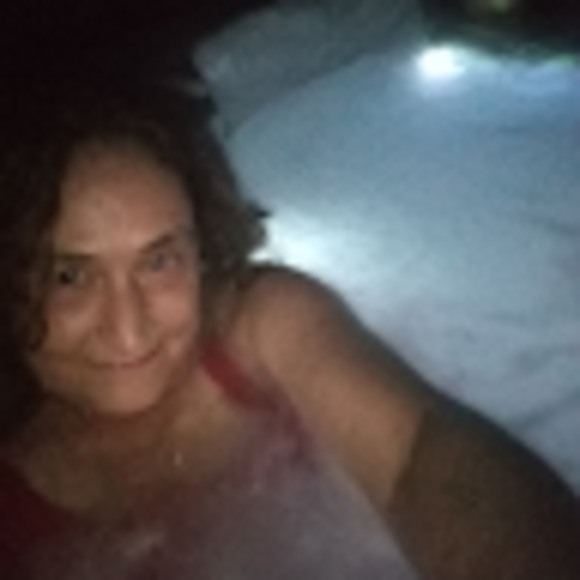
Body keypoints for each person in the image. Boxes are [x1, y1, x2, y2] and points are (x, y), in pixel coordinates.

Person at [0, 80, 577, 580]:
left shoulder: (258, 324)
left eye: (159, 260)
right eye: (69, 276)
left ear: (202, 249)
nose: (129, 330)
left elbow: (421, 455)